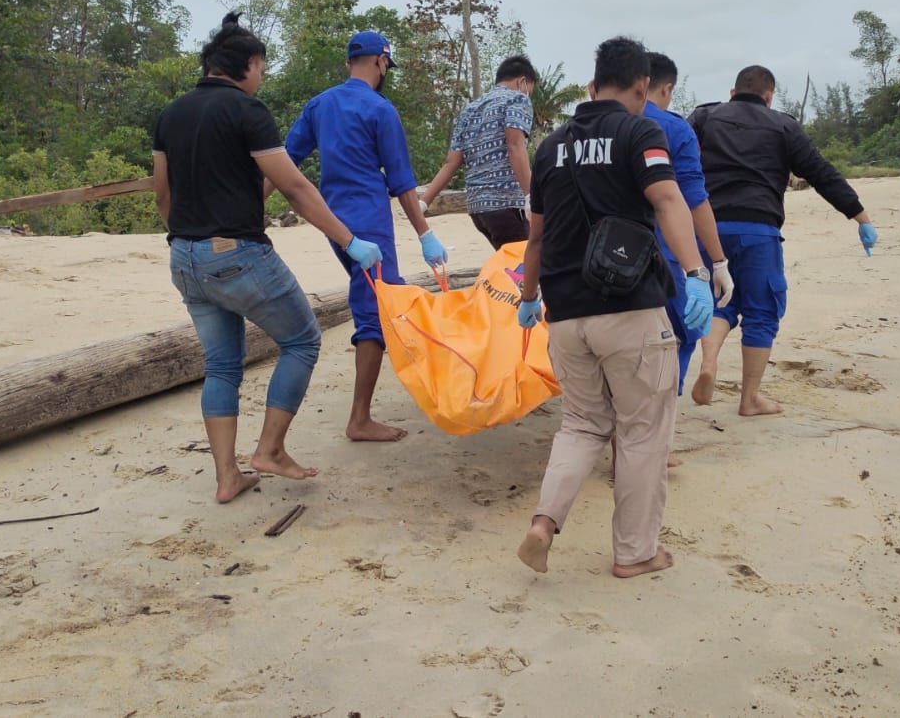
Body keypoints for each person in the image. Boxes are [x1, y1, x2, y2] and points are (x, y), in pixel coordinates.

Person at [153, 13, 383, 503]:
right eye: (262, 67)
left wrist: (185, 238)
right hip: (237, 252)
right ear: (248, 64)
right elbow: (295, 186)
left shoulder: (171, 114)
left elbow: (162, 193)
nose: (261, 76)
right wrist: (350, 241)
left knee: (221, 366)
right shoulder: (246, 111)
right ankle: (271, 450)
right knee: (301, 339)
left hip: (184, 257)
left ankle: (226, 477)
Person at [513, 36, 714, 579]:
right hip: (629, 309)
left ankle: (543, 523)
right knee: (644, 431)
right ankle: (635, 552)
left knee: (579, 425)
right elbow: (669, 198)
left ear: (591, 85)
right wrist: (696, 274)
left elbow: (536, 238)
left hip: (565, 315)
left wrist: (528, 299)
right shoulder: (640, 130)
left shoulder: (550, 146)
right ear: (643, 86)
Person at [282, 30, 448, 443]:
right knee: (377, 313)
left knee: (384, 301)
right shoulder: (380, 109)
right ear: (380, 62)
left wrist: (249, 211)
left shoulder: (320, 105)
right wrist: (425, 235)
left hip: (332, 223)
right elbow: (402, 183)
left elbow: (282, 163)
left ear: (348, 64)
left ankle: (421, 381)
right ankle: (360, 418)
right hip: (369, 227)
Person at [687, 65, 877, 416]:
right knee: (762, 311)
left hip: (708, 227)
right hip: (759, 229)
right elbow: (821, 173)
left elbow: (676, 161)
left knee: (718, 302)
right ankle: (749, 399)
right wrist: (859, 216)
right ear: (769, 96)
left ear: (732, 92)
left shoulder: (704, 117)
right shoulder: (783, 125)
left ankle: (709, 362)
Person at [641, 51, 735, 390]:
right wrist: (718, 262)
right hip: (666, 256)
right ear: (665, 89)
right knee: (681, 332)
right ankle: (660, 413)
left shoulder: (592, 128)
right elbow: (694, 200)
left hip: (597, 258)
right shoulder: (675, 129)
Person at [418, 56, 539, 250]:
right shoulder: (518, 98)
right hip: (507, 202)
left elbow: (452, 162)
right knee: (523, 271)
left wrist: (423, 202)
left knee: (508, 267)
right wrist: (530, 197)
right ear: (522, 81)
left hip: (478, 209)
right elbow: (515, 146)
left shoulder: (471, 109)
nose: (528, 94)